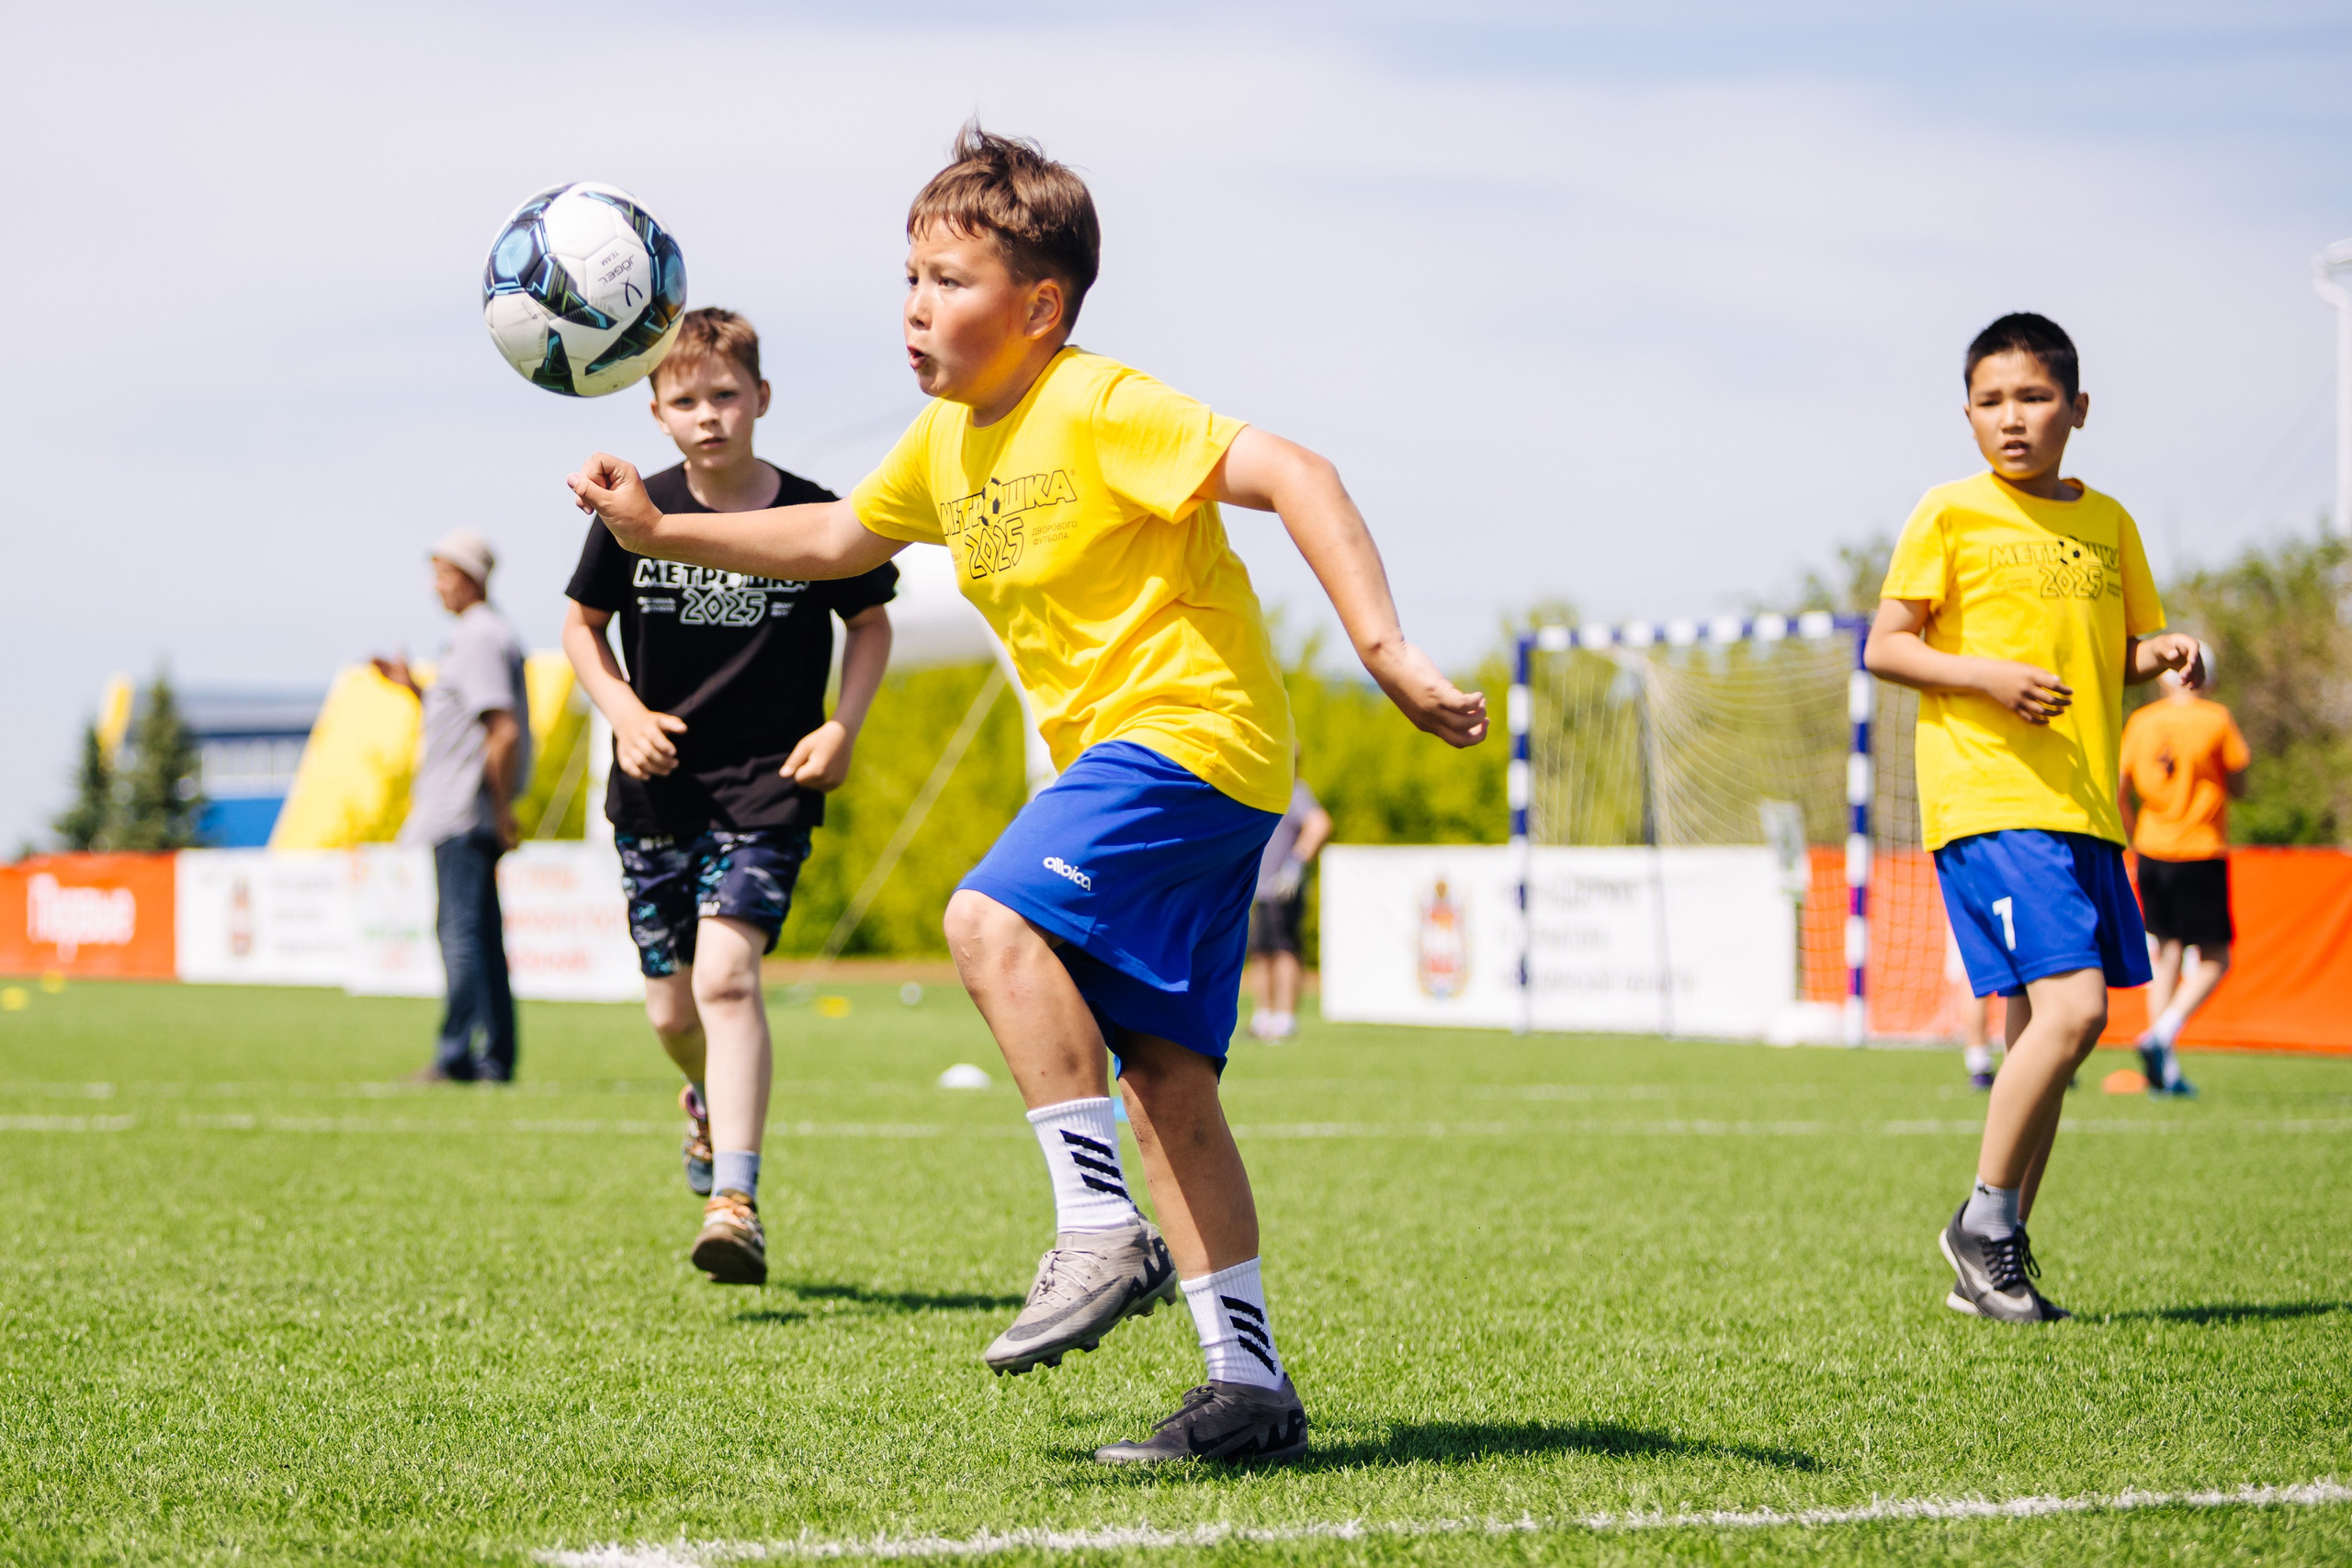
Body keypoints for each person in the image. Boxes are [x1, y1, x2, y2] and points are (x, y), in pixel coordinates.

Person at [565, 125, 1486, 1464]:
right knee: (1167, 1076)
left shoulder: (1100, 403)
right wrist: (661, 531)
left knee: (988, 918)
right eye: (908, 276)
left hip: (1190, 735)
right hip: (1177, 772)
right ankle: (1249, 1389)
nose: (913, 306)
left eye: (947, 279)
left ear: (1040, 308)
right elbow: (831, 539)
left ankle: (1097, 1223)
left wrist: (1387, 649)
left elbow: (1298, 472)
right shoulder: (943, 442)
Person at [1865, 313, 2203, 1325]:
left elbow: (2116, 649)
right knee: (2075, 1012)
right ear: (1966, 414)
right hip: (1990, 798)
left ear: (2077, 409)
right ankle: (1983, 1225)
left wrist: (2166, 652)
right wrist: (1984, 677)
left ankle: (1996, 1257)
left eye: (2033, 397)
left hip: (2085, 809)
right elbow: (1887, 646)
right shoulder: (1950, 513)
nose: (2010, 420)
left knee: (2041, 1031)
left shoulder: (2109, 525)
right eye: (1989, 401)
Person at [561, 308, 896, 1287]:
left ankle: (734, 1202)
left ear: (761, 400)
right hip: (656, 791)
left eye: (724, 396)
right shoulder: (634, 513)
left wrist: (842, 724)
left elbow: (870, 622)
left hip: (766, 786)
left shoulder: (812, 510)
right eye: (684, 400)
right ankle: (705, 1103)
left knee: (726, 981)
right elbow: (581, 629)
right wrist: (622, 712)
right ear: (656, 413)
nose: (707, 415)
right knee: (673, 1014)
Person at [375, 529, 532, 1084]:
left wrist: (500, 808)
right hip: (471, 809)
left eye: (443, 573)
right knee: (482, 934)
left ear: (471, 576)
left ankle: (456, 1055)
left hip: (464, 812)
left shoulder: (479, 637)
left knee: (460, 933)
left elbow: (503, 731)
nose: (435, 585)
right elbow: (468, 720)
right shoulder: (480, 636)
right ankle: (495, 1056)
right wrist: (413, 689)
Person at [2119, 656, 2249, 1099]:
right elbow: (2240, 780)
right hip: (2199, 849)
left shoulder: (2140, 721)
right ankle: (2163, 1034)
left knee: (2166, 955)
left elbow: (2119, 787)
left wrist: (2136, 836)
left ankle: (2164, 1068)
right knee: (2215, 957)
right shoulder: (2216, 718)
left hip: (2151, 850)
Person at [1247, 761, 1332, 1042]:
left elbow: (1319, 823)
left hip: (1283, 888)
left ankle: (1285, 1018)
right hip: (1262, 889)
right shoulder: (1268, 791)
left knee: (1284, 950)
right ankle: (1264, 1017)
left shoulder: (1295, 791)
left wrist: (1296, 863)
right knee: (1262, 952)